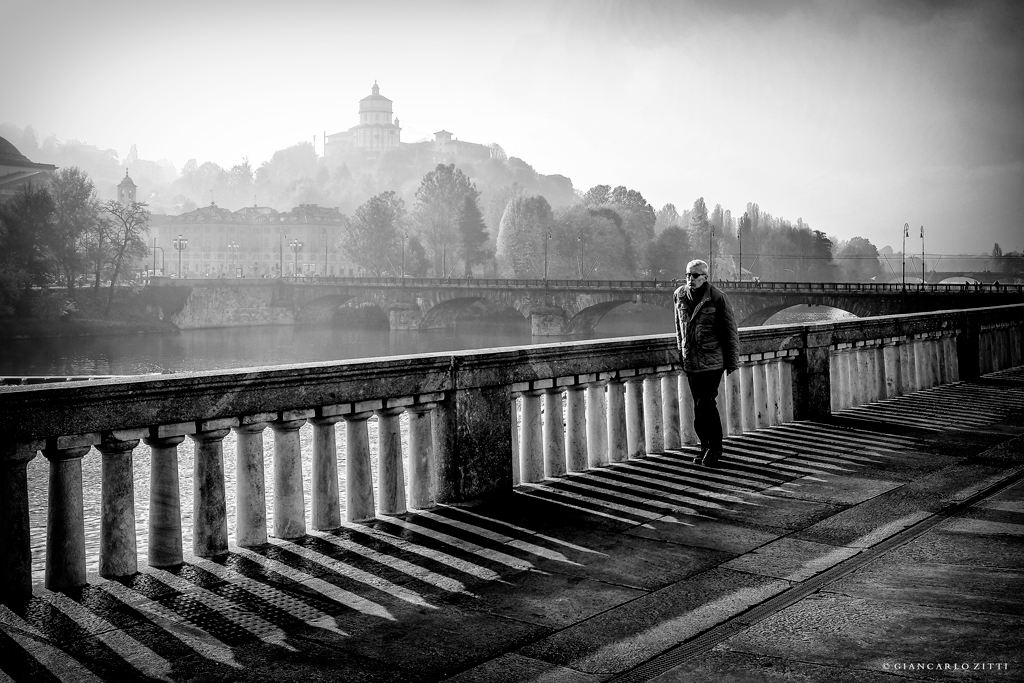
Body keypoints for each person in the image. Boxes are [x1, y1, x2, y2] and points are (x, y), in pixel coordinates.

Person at [673, 259, 740, 467]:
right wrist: (680, 355)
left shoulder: (718, 298)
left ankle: (714, 448)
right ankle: (704, 446)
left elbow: (730, 332)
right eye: (687, 275)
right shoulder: (679, 295)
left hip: (713, 361)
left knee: (706, 403)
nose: (690, 279)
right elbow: (679, 328)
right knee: (698, 407)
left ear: (705, 277)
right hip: (691, 361)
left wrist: (731, 363)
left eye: (694, 275)